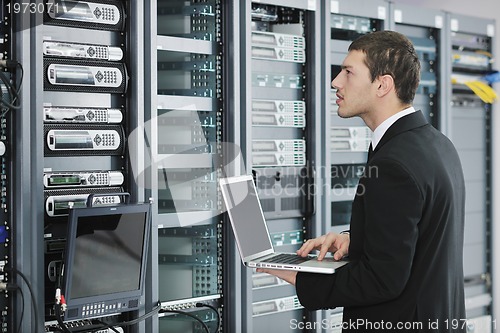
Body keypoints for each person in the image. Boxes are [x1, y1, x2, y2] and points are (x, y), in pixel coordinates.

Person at [257, 30, 466, 332]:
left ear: (383, 84)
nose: (335, 82)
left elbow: (383, 280)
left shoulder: (394, 162)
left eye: (348, 72)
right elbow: (421, 237)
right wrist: (358, 239)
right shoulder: (437, 144)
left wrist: (303, 277)